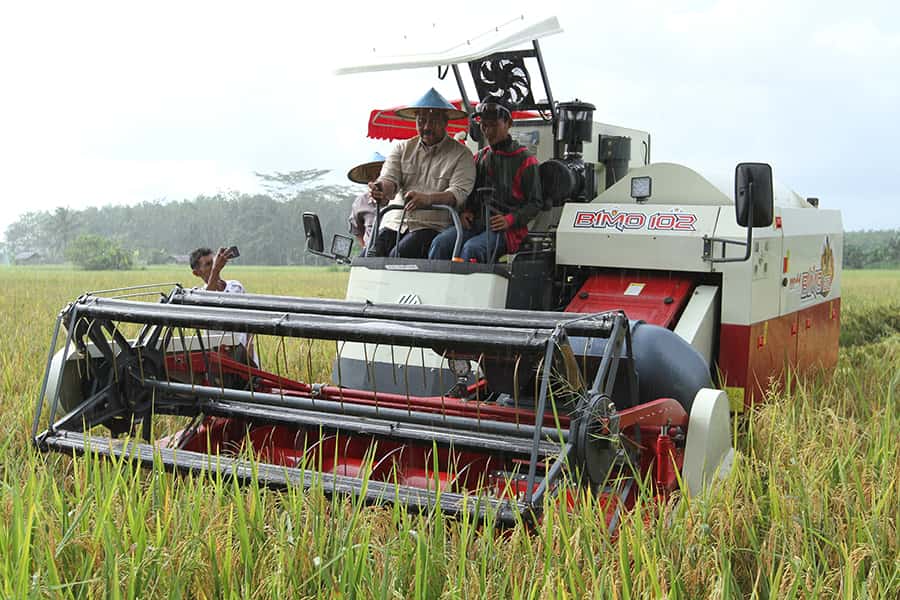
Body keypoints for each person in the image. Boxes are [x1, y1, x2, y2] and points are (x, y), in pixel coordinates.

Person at [428, 97, 542, 263]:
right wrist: (464, 212)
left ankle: (465, 289)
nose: (488, 131)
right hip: (476, 225)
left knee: (472, 249)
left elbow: (535, 204)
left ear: (508, 124)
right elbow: (467, 192)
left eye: (493, 125)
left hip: (507, 232)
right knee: (440, 243)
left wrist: (509, 219)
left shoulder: (526, 160)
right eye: (484, 125)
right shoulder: (479, 157)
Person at [368, 88, 476, 258]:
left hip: (432, 226)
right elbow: (389, 180)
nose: (426, 127)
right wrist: (380, 188)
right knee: (369, 257)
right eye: (421, 121)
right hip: (395, 223)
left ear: (445, 122)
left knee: (398, 255)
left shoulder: (462, 155)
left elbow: (458, 194)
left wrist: (428, 199)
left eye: (432, 121)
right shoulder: (402, 148)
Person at [189, 246, 256, 368]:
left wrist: (249, 349)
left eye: (213, 262)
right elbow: (207, 300)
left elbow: (250, 321)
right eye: (208, 264)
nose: (213, 266)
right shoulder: (197, 294)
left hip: (246, 355)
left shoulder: (236, 287)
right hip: (221, 362)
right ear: (196, 273)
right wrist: (216, 270)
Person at [346, 152, 386, 254]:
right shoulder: (360, 202)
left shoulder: (398, 198)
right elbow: (357, 230)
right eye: (370, 177)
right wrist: (365, 247)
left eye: (379, 175)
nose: (375, 180)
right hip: (371, 254)